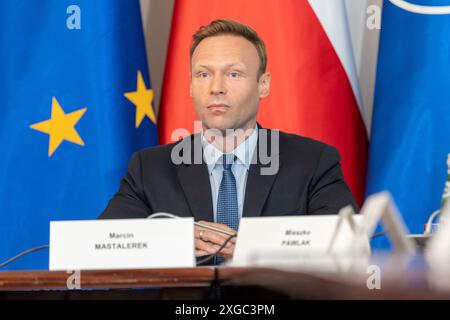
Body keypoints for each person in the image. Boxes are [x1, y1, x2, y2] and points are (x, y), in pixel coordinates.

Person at [99, 19, 358, 263]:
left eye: (233, 74)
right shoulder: (150, 168)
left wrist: (250, 247)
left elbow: (349, 246)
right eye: (203, 75)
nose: (216, 87)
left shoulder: (313, 162)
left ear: (263, 85)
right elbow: (101, 246)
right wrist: (174, 241)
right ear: (190, 86)